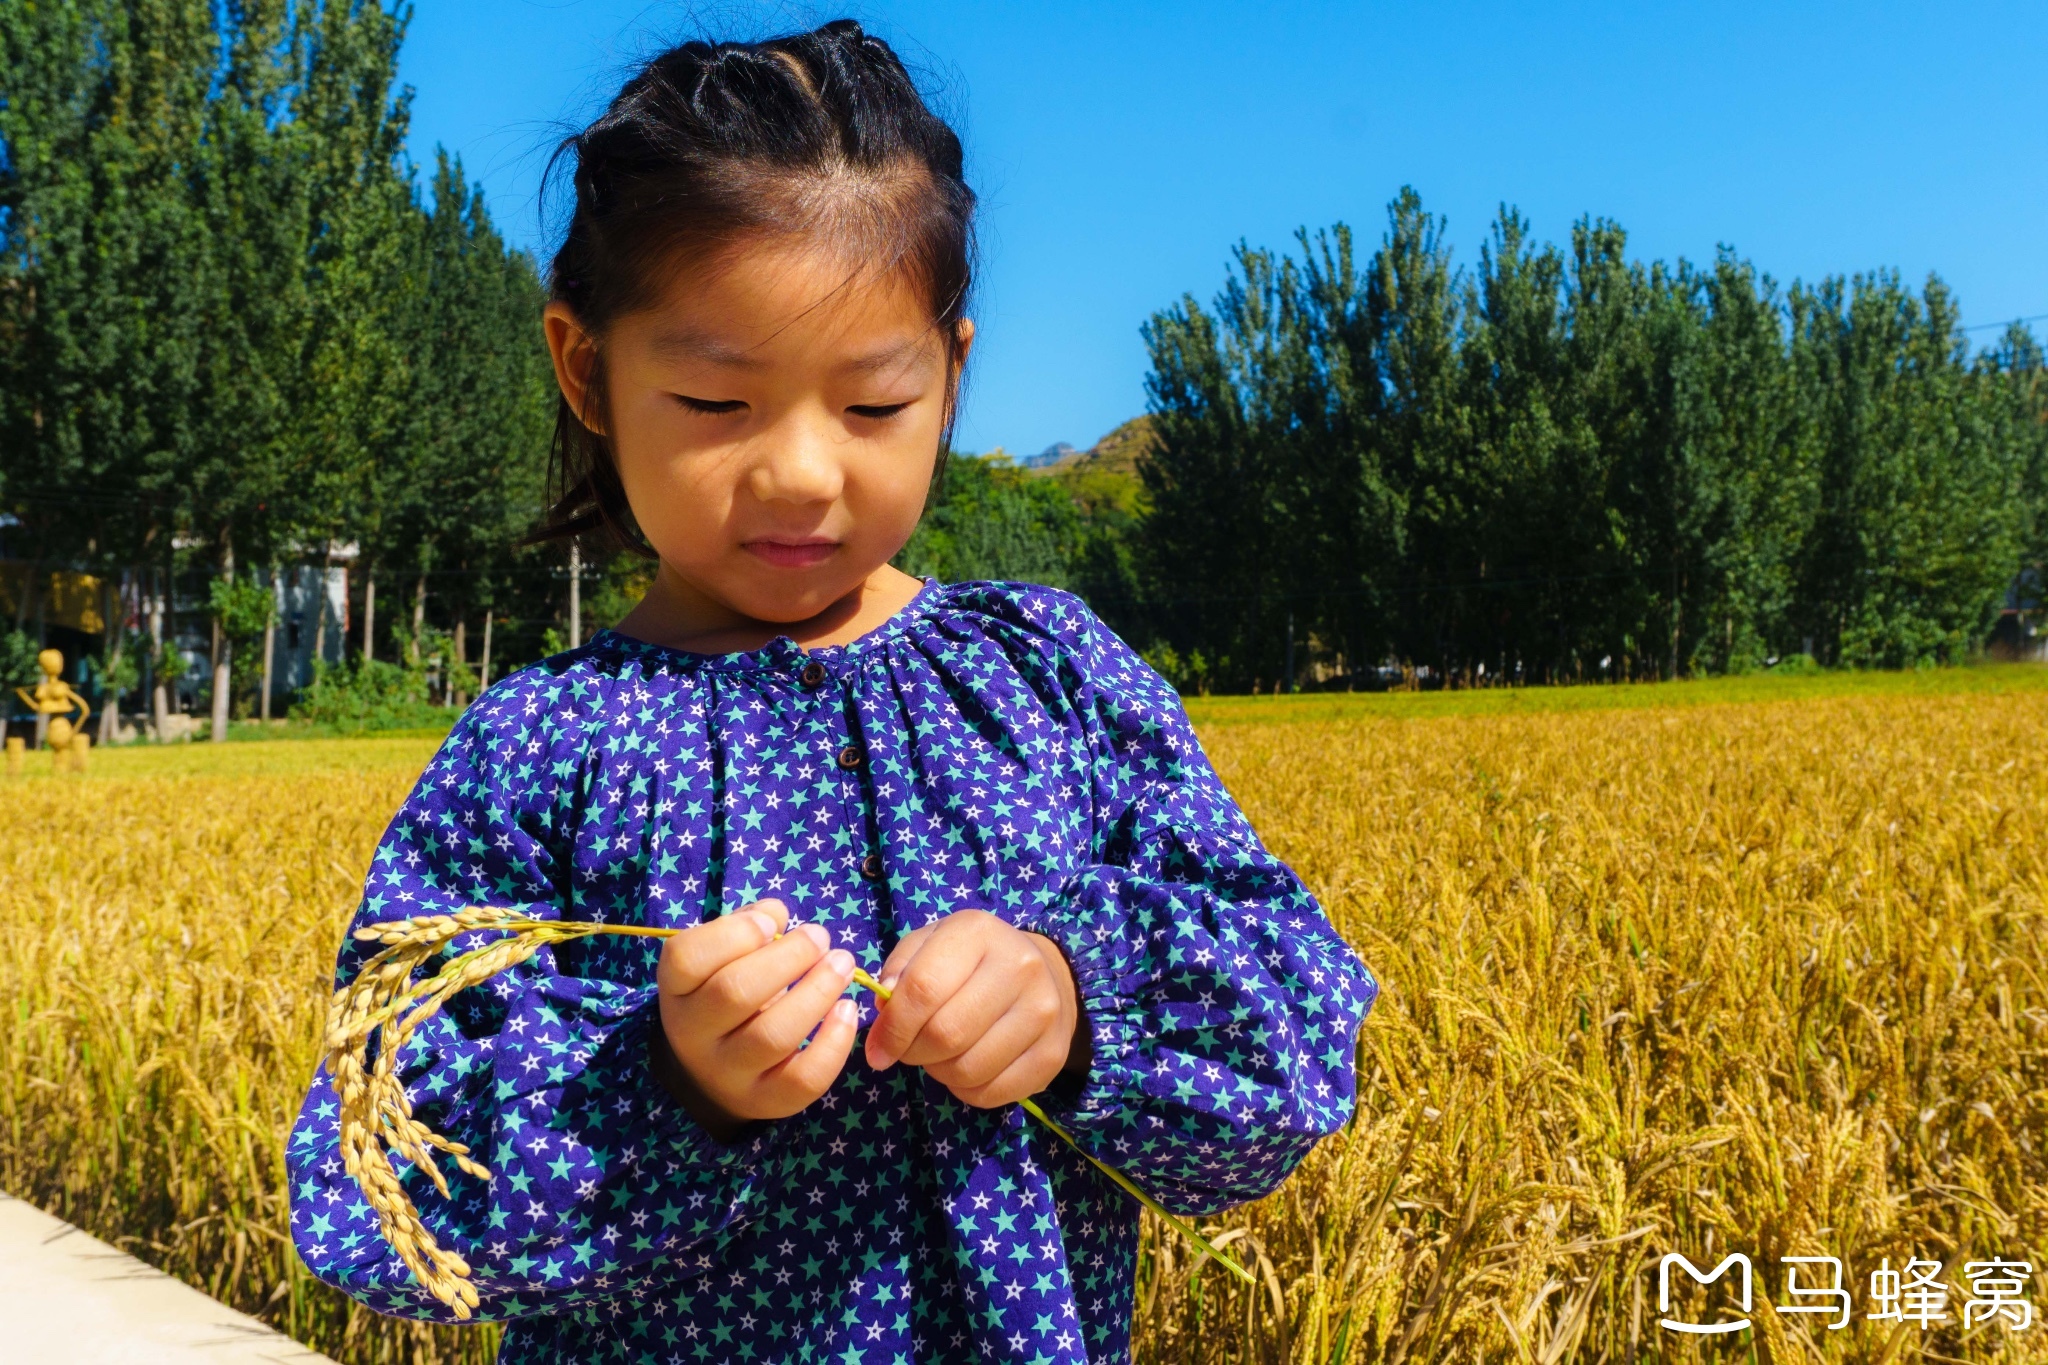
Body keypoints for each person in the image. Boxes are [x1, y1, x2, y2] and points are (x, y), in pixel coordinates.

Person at [287, 20, 1378, 1364]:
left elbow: (1300, 1036)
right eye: (713, 400)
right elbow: (373, 1184)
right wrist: (663, 1084)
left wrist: (1075, 1001)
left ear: (952, 375)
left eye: (871, 408)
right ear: (587, 370)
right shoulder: (537, 752)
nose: (804, 472)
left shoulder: (1049, 681)